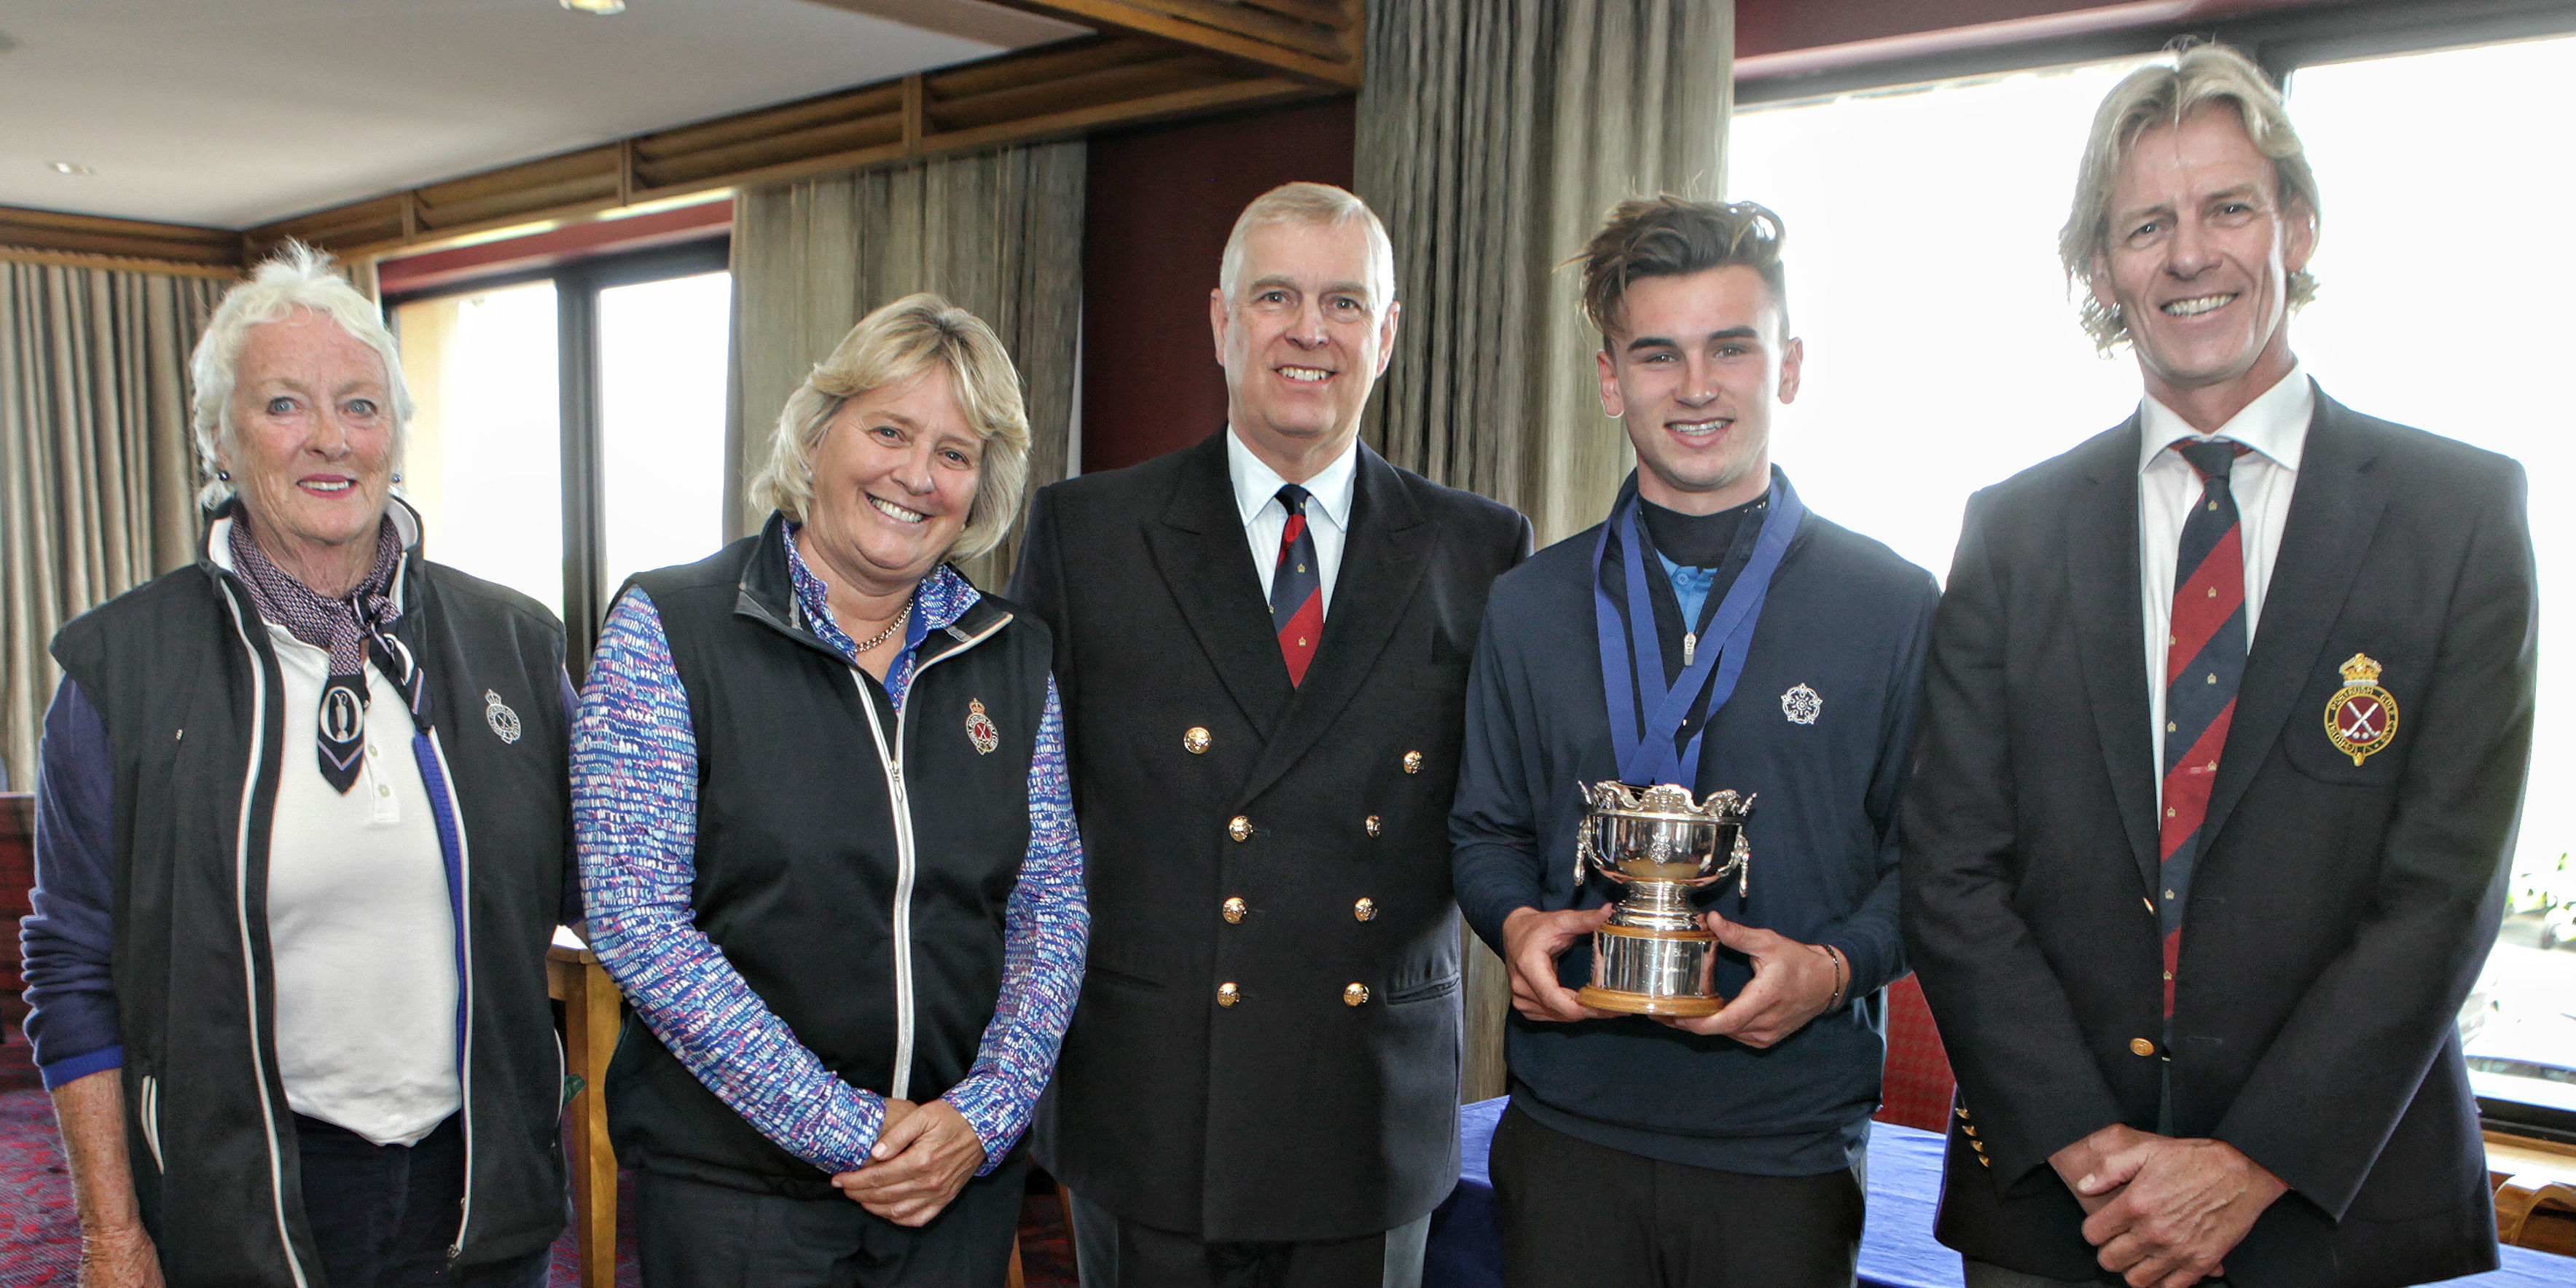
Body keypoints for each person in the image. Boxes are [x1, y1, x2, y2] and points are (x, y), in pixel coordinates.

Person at [1902, 42, 2534, 1288]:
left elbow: (2444, 893)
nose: (2190, 254)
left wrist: (2246, 1165)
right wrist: (2099, 1157)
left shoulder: (2458, 514)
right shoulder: (2010, 531)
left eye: (2228, 207)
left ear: (2294, 226)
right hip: (2062, 1215)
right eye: (2146, 224)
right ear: (2100, 267)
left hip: (2332, 1211)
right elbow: (1953, 870)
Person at [21, 243, 576, 1286]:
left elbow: (618, 893)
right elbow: (73, 965)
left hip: (477, 1188)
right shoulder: (119, 673)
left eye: (362, 407)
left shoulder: (515, 644)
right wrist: (112, 1230)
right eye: (284, 404)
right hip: (243, 1192)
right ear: (219, 443)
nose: (331, 437)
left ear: (398, 440)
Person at [1009, 181, 1530, 1287]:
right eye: (1277, 296)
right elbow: (1024, 821)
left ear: (1385, 336)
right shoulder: (1087, 532)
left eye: (1345, 303)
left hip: (1367, 1103)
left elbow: (1505, 813)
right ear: (1220, 320)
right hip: (1152, 1102)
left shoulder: (1481, 549)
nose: (1309, 330)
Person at [1449, 196, 1940, 1287]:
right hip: (1570, 1127)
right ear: (1611, 379)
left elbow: (1940, 864)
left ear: (1790, 365)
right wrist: (1516, 919)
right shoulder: (1530, 604)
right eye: (1658, 355)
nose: (1699, 386)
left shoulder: (1894, 604)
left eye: (1732, 347)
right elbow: (1482, 830)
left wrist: (1834, 967)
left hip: (1786, 1148)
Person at [574, 292, 1085, 1284]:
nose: (916, 475)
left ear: (981, 488)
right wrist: (845, 1128)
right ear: (817, 436)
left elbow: (1050, 905)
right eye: (889, 431)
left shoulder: (1013, 654)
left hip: (952, 1187)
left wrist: (981, 1117)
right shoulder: (669, 627)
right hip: (739, 1196)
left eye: (955, 452)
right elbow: (636, 919)